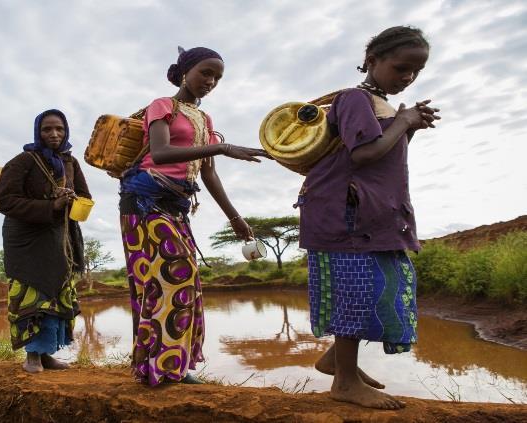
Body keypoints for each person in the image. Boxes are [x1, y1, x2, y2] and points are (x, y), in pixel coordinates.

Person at [296, 26, 441, 409]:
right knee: (357, 291)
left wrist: (408, 126)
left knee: (376, 286)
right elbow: (363, 155)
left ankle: (336, 360)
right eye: (401, 67)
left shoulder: (384, 106)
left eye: (416, 71)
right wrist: (405, 122)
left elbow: (383, 153)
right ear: (373, 61)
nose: (408, 77)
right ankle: (344, 382)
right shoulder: (354, 98)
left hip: (372, 215)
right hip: (344, 214)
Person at [120, 46, 270, 386]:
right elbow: (159, 153)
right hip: (144, 200)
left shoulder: (205, 119)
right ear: (186, 71)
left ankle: (175, 363)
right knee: (173, 275)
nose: (211, 81)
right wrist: (221, 146)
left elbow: (209, 174)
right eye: (206, 72)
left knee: (189, 281)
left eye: (217, 77)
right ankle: (156, 365)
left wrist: (235, 218)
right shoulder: (163, 106)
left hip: (177, 205)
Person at [0, 109, 91, 373]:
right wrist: (50, 205)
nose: (54, 134)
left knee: (57, 294)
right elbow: (4, 200)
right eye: (47, 129)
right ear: (38, 131)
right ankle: (32, 356)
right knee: (31, 295)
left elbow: (84, 195)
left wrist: (72, 200)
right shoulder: (24, 161)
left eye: (59, 129)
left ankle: (47, 354)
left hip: (59, 237)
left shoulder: (70, 162)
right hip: (26, 239)